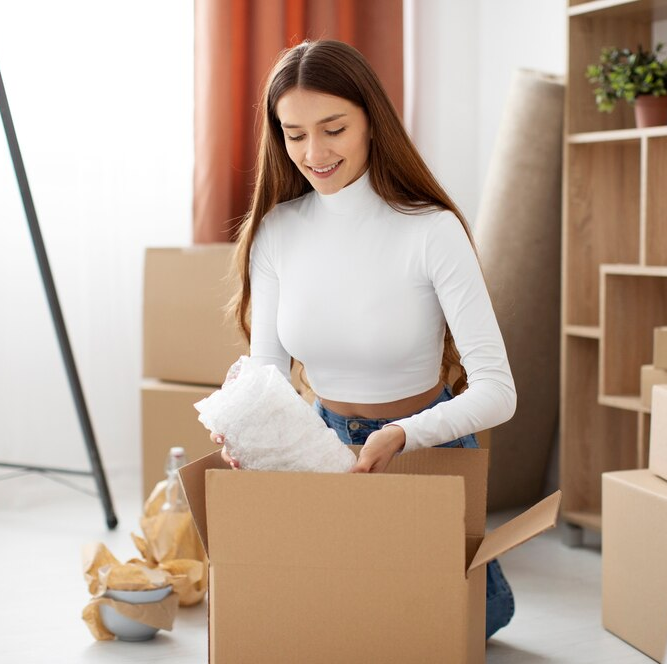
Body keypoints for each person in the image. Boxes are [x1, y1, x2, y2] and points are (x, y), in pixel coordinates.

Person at [209, 39, 517, 640]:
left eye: (333, 129)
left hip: (424, 446)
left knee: (463, 623)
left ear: (372, 122)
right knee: (338, 621)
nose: (314, 152)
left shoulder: (431, 230)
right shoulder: (277, 230)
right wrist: (245, 423)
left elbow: (499, 392)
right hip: (321, 451)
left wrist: (402, 435)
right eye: (294, 134)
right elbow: (268, 370)